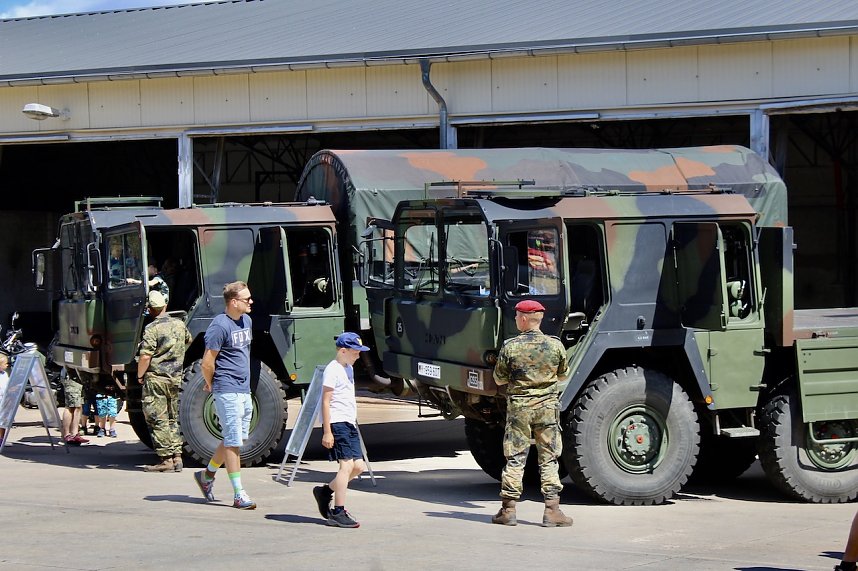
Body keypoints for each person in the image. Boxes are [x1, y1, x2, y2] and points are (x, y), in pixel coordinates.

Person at [490, 299, 573, 527]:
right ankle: (552, 511)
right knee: (549, 459)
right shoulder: (555, 346)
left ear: (525, 319)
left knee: (515, 457)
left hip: (519, 410)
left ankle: (508, 510)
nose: (515, 319)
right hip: (547, 409)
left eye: (517, 316)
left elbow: (499, 378)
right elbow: (563, 375)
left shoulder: (511, 347)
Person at [193, 281, 256, 509]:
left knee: (234, 439)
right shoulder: (219, 326)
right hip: (227, 389)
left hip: (244, 389)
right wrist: (211, 384)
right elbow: (207, 362)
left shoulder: (246, 320)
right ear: (233, 302)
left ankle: (207, 476)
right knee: (233, 443)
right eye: (247, 299)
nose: (251, 302)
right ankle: (239, 494)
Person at [312, 332, 369, 528]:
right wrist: (327, 431)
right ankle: (338, 511)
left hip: (349, 422)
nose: (358, 355)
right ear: (343, 351)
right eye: (356, 352)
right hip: (337, 423)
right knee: (345, 467)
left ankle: (326, 491)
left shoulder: (349, 368)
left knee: (358, 467)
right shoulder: (332, 370)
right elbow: (325, 402)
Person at [138, 290, 191, 472]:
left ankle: (165, 460)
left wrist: (139, 375)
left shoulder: (152, 328)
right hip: (175, 378)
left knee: (157, 418)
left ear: (151, 310)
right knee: (172, 418)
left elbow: (145, 356)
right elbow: (188, 341)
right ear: (165, 306)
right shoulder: (179, 324)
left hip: (156, 379)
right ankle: (177, 457)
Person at [61, 371, 90, 446]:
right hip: (72, 378)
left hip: (78, 379)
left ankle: (74, 434)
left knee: (78, 407)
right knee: (71, 406)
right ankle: (67, 435)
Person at [0, 353, 9, 444]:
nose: (7, 365)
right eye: (5, 364)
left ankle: (2, 439)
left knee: (3, 421)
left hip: (4, 400)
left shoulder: (5, 374)